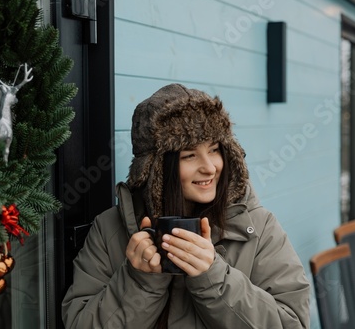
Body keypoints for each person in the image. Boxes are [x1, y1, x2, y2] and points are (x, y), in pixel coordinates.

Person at [62, 83, 311, 328]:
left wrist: (213, 278)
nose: (210, 167)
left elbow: (292, 323)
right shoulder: (109, 229)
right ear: (156, 169)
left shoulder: (258, 227)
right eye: (189, 155)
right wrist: (139, 281)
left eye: (214, 150)